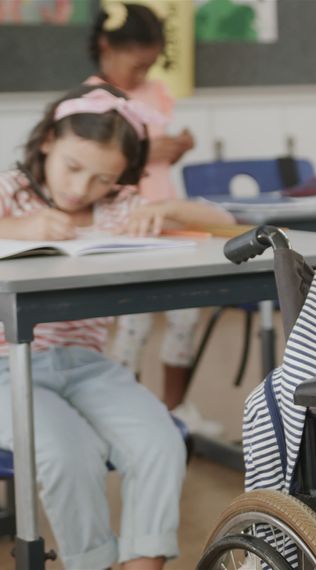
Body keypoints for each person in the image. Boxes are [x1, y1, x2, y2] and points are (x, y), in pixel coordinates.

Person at [0, 85, 224, 569]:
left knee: (162, 442)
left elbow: (224, 221)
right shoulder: (11, 192)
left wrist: (165, 209)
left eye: (103, 178)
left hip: (88, 367)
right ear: (47, 142)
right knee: (66, 454)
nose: (82, 189)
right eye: (72, 167)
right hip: (7, 369)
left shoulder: (119, 208)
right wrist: (20, 229)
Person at [88, 2, 222, 434]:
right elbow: (97, 160)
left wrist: (178, 145)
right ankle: (122, 416)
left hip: (170, 218)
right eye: (137, 64)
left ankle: (175, 408)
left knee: (185, 315)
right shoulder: (91, 99)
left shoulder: (153, 93)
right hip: (126, 225)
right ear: (106, 47)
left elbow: (160, 147)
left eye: (149, 66)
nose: (142, 74)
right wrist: (146, 151)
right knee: (133, 323)